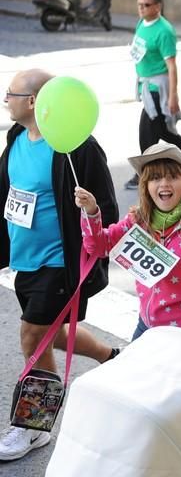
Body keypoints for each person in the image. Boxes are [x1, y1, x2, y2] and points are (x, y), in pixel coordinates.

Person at [0, 69, 120, 461]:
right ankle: (110, 357)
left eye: (11, 93)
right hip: (26, 260)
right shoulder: (16, 137)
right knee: (53, 333)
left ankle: (33, 427)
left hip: (59, 262)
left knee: (33, 338)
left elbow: (107, 208)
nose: (5, 100)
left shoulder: (78, 148)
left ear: (34, 101)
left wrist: (91, 211)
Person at [74, 143, 181, 343]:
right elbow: (99, 246)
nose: (164, 183)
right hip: (147, 328)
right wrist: (91, 212)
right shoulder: (137, 220)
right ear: (145, 185)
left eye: (172, 177)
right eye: (155, 178)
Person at [126, 0, 181, 190]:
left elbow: (172, 66)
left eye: (146, 5)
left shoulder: (164, 31)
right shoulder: (142, 22)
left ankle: (143, 172)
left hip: (158, 88)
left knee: (146, 133)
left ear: (158, 6)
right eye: (139, 4)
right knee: (163, 131)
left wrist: (173, 97)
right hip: (146, 85)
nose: (141, 8)